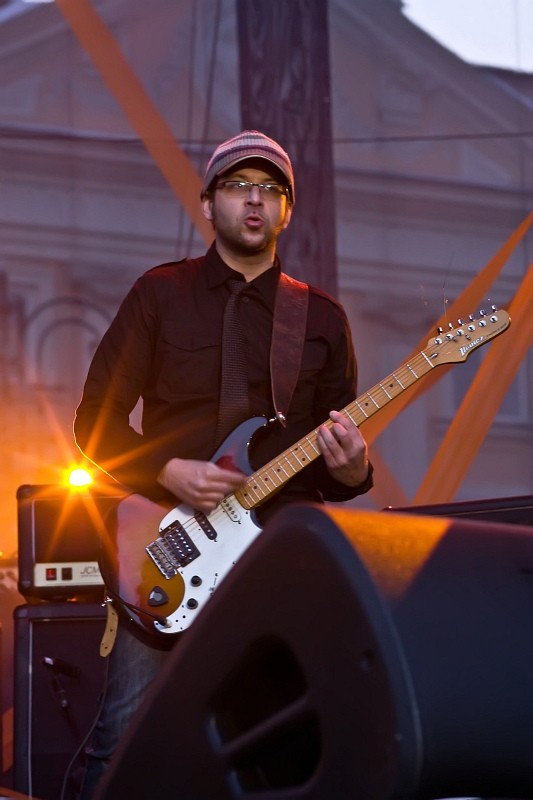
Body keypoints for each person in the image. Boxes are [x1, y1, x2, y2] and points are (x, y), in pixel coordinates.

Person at [73, 129, 373, 797]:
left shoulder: (318, 318)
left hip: (276, 557)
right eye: (239, 186)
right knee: (124, 736)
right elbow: (93, 425)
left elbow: (333, 469)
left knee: (289, 739)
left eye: (270, 190)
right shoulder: (159, 295)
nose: (255, 200)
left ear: (287, 211)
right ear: (208, 203)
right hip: (168, 550)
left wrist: (351, 468)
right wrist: (167, 473)